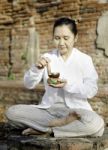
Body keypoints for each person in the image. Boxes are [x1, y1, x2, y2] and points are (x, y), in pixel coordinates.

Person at [5, 17, 104, 137]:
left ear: (75, 38)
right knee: (12, 113)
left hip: (76, 112)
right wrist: (37, 69)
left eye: (66, 38)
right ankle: (61, 127)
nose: (61, 43)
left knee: (96, 123)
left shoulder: (84, 59)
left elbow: (91, 90)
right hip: (48, 110)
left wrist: (67, 85)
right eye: (57, 38)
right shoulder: (47, 57)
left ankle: (48, 130)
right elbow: (28, 84)